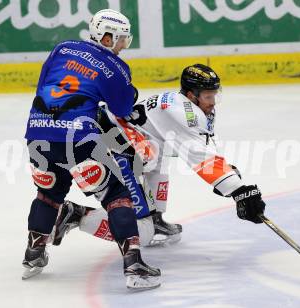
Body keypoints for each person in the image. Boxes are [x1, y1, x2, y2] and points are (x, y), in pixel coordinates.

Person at [54, 64, 267, 247]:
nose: (212, 102)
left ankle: (154, 218)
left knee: (157, 158)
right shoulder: (185, 113)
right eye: (208, 96)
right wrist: (237, 189)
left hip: (125, 140)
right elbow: (199, 156)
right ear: (192, 95)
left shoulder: (189, 105)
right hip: (112, 147)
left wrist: (229, 176)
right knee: (142, 235)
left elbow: (203, 143)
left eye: (214, 95)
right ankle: (77, 215)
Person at [22, 9, 160, 290]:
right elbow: (122, 110)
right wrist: (129, 92)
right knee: (117, 195)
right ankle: (134, 264)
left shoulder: (62, 48)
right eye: (122, 40)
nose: (123, 45)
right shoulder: (115, 66)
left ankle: (33, 254)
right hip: (78, 137)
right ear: (107, 38)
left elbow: (42, 86)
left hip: (37, 131)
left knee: (48, 193)